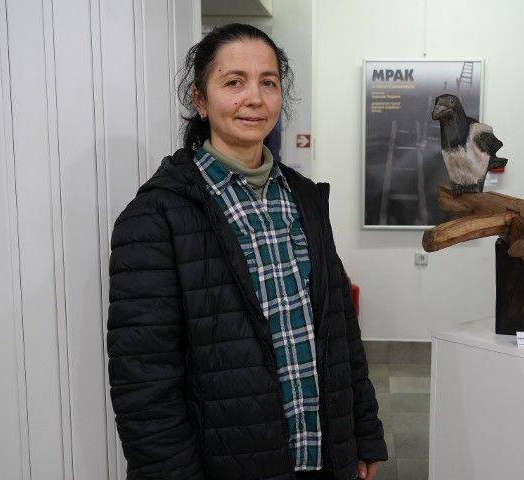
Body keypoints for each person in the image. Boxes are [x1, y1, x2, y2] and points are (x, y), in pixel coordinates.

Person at [106, 23, 387, 480]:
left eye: (268, 82)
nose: (254, 98)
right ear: (200, 100)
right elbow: (143, 381)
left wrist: (363, 432)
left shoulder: (304, 198)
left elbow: (341, 332)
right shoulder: (155, 217)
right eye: (234, 82)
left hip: (321, 457)